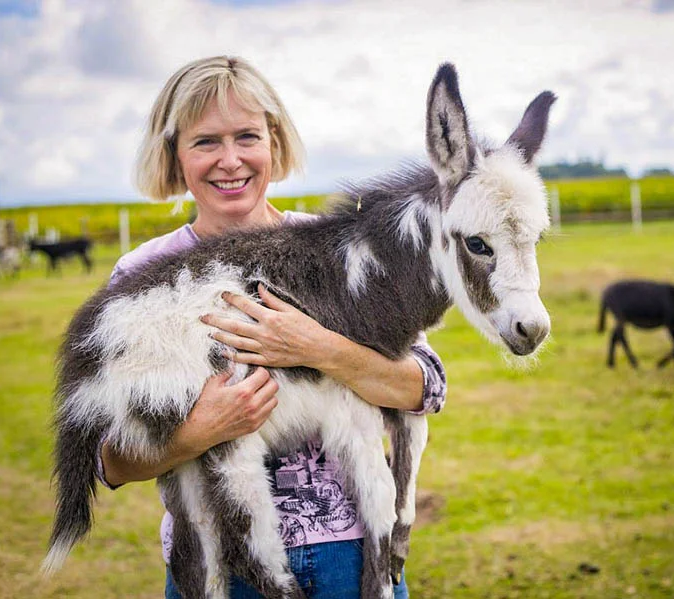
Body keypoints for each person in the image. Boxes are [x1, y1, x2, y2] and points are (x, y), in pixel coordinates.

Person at [95, 56, 447, 599]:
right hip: (219, 569)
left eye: (247, 136)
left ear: (275, 142)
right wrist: (200, 430)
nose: (230, 161)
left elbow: (427, 386)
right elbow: (110, 460)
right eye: (205, 142)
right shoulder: (141, 276)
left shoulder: (340, 247)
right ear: (173, 155)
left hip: (354, 564)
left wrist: (319, 348)